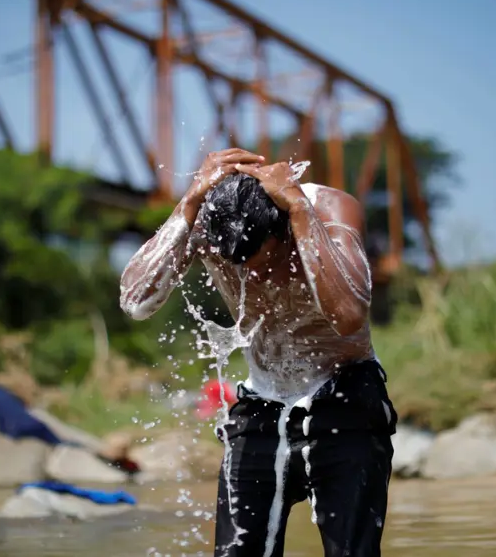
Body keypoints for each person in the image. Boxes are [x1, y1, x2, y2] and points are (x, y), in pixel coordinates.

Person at [119, 148, 397, 557]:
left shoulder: (327, 210)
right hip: (262, 405)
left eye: (263, 261)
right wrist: (188, 203)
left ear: (283, 227)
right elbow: (135, 302)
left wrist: (299, 210)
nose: (254, 276)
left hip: (345, 397)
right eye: (238, 265)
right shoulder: (206, 222)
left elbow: (349, 316)